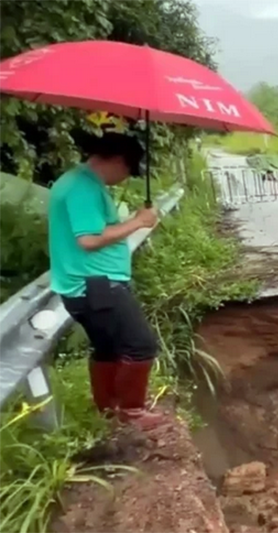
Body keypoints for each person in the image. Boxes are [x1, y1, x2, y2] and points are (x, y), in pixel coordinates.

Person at [48, 132, 165, 430]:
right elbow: (88, 239)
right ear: (115, 160)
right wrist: (138, 222)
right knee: (141, 345)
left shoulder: (77, 182)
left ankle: (109, 409)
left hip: (87, 285)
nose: (125, 178)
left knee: (108, 348)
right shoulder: (82, 187)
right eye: (127, 170)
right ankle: (131, 411)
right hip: (96, 285)